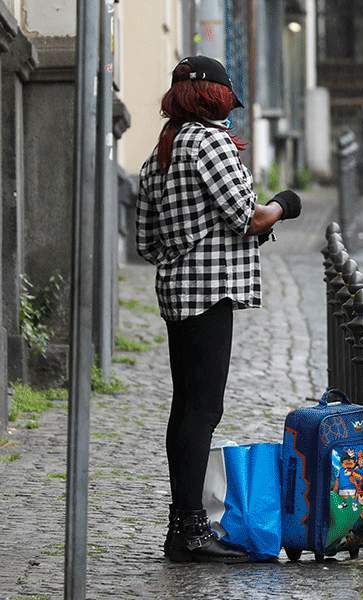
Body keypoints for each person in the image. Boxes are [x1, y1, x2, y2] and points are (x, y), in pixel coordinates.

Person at [136, 55, 301, 563]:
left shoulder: (160, 150)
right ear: (216, 96)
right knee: (203, 409)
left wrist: (185, 241)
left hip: (176, 290)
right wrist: (283, 205)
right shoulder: (208, 142)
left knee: (185, 406)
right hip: (208, 290)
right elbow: (247, 217)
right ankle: (188, 531)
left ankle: (180, 525)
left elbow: (145, 241)